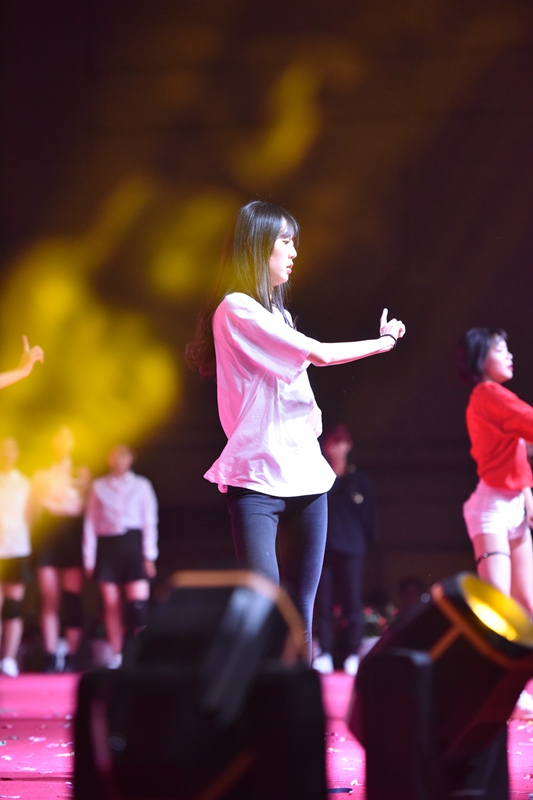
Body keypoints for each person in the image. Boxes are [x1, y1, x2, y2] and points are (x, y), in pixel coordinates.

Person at [186, 200, 405, 656]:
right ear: (258, 245)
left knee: (301, 610)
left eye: (293, 242)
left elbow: (298, 390)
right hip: (256, 476)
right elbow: (319, 354)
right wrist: (384, 342)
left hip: (305, 472)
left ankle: (297, 696)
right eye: (285, 241)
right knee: (267, 611)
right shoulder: (235, 309)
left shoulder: (278, 315)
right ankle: (259, 696)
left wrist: (313, 425)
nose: (293, 252)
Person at [458, 328, 533, 715]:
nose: (509, 355)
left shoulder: (496, 396)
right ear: (480, 359)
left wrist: (528, 497)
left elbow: (518, 454)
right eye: (500, 349)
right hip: (490, 510)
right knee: (499, 607)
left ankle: (509, 688)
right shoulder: (488, 395)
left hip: (515, 506)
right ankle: (492, 694)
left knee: (527, 604)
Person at [83, 444, 158, 669]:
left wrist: (149, 555)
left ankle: (140, 654)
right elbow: (90, 523)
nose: (119, 460)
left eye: (124, 455)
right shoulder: (98, 486)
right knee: (111, 604)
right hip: (107, 547)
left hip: (133, 544)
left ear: (131, 458)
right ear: (109, 458)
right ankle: (117, 653)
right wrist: (89, 558)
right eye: (115, 455)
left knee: (138, 605)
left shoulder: (142, 485)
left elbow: (150, 521)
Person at [312, 424, 378, 676]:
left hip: (352, 549)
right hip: (324, 548)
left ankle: (352, 654)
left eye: (340, 442)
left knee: (352, 602)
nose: (336, 448)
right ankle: (325, 653)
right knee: (323, 602)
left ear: (348, 445)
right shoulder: (319, 476)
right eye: (332, 442)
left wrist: (367, 542)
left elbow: (369, 516)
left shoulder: (358, 480)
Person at [31, 427, 91, 672]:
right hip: (47, 537)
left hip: (72, 536)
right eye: (58, 436)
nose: (63, 441)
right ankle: (50, 654)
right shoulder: (41, 473)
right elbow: (34, 511)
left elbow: (85, 508)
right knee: (50, 597)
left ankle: (72, 656)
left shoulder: (82, 472)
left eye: (67, 436)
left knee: (72, 598)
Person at [0, 438, 32, 676]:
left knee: (13, 607)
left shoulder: (25, 483)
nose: (7, 454)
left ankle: (9, 658)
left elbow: (31, 516)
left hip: (17, 549)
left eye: (11, 450)